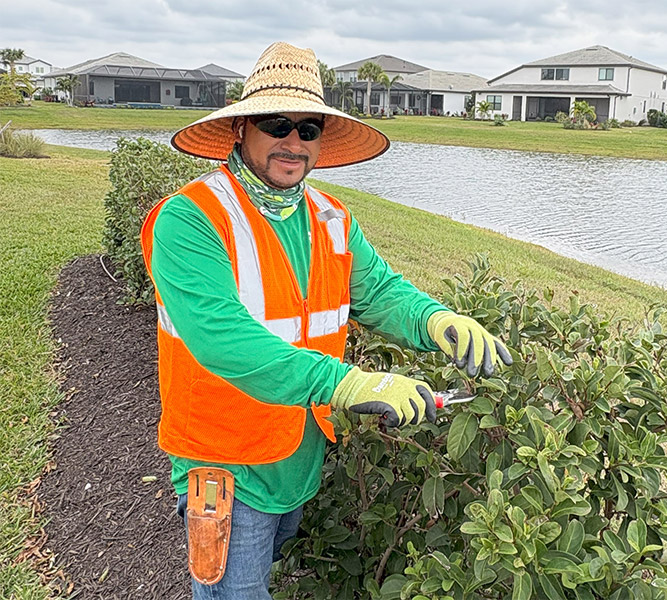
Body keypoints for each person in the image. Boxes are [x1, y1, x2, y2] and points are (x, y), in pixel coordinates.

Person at [140, 42, 512, 600]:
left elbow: (381, 292)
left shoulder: (331, 218)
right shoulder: (189, 219)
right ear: (241, 130)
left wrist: (437, 321)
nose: (293, 141)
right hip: (226, 463)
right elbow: (222, 338)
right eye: (277, 124)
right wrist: (347, 381)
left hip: (300, 453)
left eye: (308, 128)